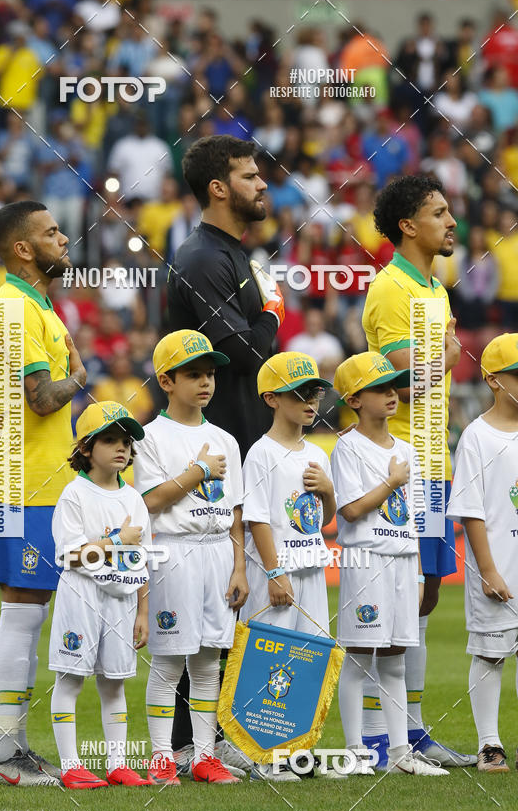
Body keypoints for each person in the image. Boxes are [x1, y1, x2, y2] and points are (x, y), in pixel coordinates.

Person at [0, 201, 86, 785]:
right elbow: (42, 398)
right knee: (23, 609)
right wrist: (80, 377)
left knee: (30, 609)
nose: (64, 238)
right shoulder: (12, 306)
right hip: (27, 486)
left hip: (38, 478)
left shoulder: (37, 306)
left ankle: (14, 751)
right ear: (24, 249)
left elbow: (11, 403)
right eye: (51, 232)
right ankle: (5, 756)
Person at [167, 134, 283, 763]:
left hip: (242, 439)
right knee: (209, 602)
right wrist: (272, 313)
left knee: (231, 603)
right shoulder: (201, 258)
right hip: (216, 446)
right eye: (249, 175)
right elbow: (245, 351)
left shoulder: (236, 253)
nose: (262, 184)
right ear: (218, 188)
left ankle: (216, 735)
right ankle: (186, 742)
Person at [361, 175, 476, 768]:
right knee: (398, 598)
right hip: (400, 463)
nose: (452, 222)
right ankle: (379, 737)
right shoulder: (390, 288)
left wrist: (444, 355)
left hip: (434, 460)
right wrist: (449, 353)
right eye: (439, 212)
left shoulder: (434, 288)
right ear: (408, 226)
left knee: (426, 595)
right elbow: (399, 382)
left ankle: (411, 731)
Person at [133, 329, 248, 785]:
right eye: (193, 374)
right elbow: (150, 501)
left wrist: (240, 567)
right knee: (168, 661)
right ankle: (162, 757)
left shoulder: (225, 439)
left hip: (217, 552)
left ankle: (204, 756)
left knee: (207, 662)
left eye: (210, 374)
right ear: (166, 381)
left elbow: (235, 511)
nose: (205, 383)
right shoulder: (149, 437)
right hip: (174, 551)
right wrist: (198, 471)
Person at [331, 352, 448, 777]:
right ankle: (356, 752)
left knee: (396, 658)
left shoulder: (407, 449)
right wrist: (392, 481)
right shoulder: (347, 447)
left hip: (401, 560)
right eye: (379, 389)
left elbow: (412, 518)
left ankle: (400, 753)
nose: (391, 394)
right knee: (360, 658)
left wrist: (417, 573)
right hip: (368, 560)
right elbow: (350, 509)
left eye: (392, 386)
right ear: (354, 400)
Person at [240, 352, 336, 782]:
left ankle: (296, 749)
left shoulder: (316, 453)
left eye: (314, 393)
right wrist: (274, 572)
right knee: (271, 657)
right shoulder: (261, 453)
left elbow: (324, 519)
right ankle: (263, 754)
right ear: (271, 399)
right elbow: (257, 518)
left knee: (309, 658)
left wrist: (328, 490)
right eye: (299, 393)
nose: (310, 402)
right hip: (277, 572)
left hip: (311, 567)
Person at [49, 401, 151, 789]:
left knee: (114, 683)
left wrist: (143, 611)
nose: (121, 447)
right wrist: (115, 541)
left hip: (121, 599)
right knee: (70, 679)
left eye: (126, 441)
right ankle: (71, 765)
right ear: (86, 448)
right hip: (82, 596)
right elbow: (69, 555)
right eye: (110, 440)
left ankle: (117, 764)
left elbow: (143, 560)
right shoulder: (74, 495)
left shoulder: (134, 499)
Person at [448, 334, 518, 773]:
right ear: (493, 380)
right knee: (491, 652)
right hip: (498, 566)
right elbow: (471, 510)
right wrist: (488, 570)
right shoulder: (477, 436)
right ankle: (489, 744)